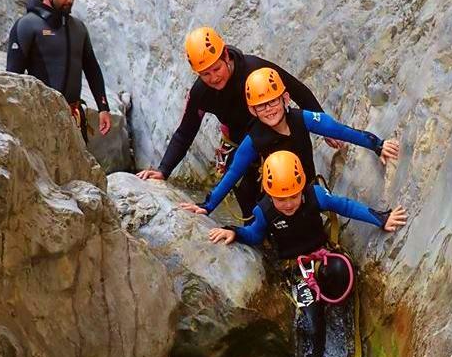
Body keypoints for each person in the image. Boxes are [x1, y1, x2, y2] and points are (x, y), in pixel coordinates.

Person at [209, 151, 407, 357]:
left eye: (293, 195)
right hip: (296, 270)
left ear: (302, 187)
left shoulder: (315, 195)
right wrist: (235, 232)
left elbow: (345, 206)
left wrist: (381, 218)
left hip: (322, 258)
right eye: (282, 198)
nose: (289, 203)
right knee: (313, 325)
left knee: (341, 273)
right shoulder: (265, 211)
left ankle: (339, 319)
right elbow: (255, 235)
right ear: (270, 194)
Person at [136, 27, 340, 218]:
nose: (213, 78)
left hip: (278, 135)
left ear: (225, 55)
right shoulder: (200, 93)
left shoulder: (254, 69)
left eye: (216, 69)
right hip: (242, 145)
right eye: (205, 74)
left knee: (297, 188)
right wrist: (163, 170)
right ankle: (260, 245)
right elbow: (186, 132)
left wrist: (325, 128)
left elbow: (298, 91)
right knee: (248, 196)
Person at [181, 67, 399, 215]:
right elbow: (233, 174)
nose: (269, 110)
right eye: (261, 106)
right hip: (276, 200)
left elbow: (341, 131)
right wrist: (207, 206)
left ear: (285, 98)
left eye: (272, 102)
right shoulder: (253, 140)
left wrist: (378, 146)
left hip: (307, 191)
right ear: (252, 110)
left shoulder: (302, 119)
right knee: (258, 214)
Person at [6, 0, 111, 141]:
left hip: (73, 118)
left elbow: (92, 69)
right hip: (41, 119)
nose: (70, 0)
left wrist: (103, 108)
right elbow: (13, 78)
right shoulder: (27, 26)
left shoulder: (78, 28)